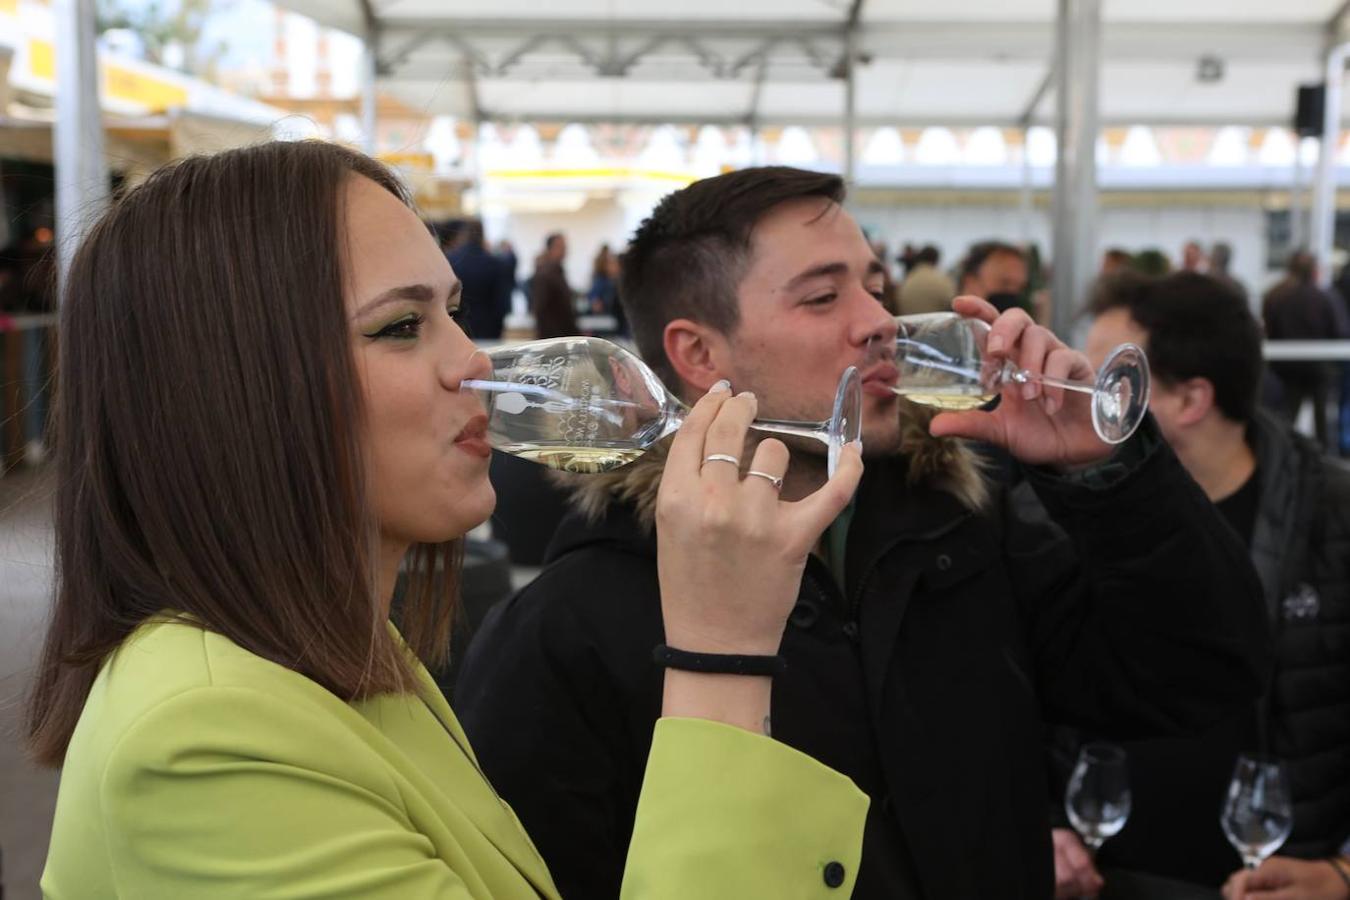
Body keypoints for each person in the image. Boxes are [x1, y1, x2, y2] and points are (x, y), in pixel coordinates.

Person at [27, 141, 872, 897]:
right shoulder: (201, 741)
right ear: (236, 389)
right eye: (402, 326)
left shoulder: (345, 652)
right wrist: (718, 653)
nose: (473, 363)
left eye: (454, 311)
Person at [454, 165, 1271, 899]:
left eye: (875, 285)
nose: (879, 319)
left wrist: (1106, 475)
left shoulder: (959, 532)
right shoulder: (573, 621)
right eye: (823, 295)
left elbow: (1202, 677)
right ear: (698, 353)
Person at [1048, 272, 1350, 897]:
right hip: (1099, 878)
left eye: (1110, 380)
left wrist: (1344, 874)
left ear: (1190, 401)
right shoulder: (1059, 503)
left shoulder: (1333, 518)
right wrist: (1045, 823)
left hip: (1270, 880)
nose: (1080, 398)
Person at [1263, 251, 1342, 449]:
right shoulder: (1324, 297)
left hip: (1287, 369)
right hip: (1319, 368)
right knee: (1322, 420)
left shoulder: (1275, 295)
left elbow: (1269, 331)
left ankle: (1284, 459)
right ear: (1314, 271)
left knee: (1286, 419)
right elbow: (1339, 331)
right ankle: (1326, 462)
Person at [447, 219, 510, 340]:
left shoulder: (451, 260)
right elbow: (502, 302)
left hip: (458, 326)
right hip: (489, 326)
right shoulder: (494, 263)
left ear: (464, 234)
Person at [958, 239, 1030, 314]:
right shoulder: (948, 324)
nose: (1013, 293)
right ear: (971, 283)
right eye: (1005, 284)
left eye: (1021, 288)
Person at [531, 232, 578, 339]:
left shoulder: (557, 271)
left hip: (563, 335)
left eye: (565, 247)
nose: (564, 250)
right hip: (553, 337)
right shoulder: (545, 273)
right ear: (550, 248)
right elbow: (540, 309)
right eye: (560, 247)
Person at [896, 244, 956, 315]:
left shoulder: (908, 279)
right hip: (935, 323)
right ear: (936, 260)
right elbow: (952, 303)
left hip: (907, 322)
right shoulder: (942, 280)